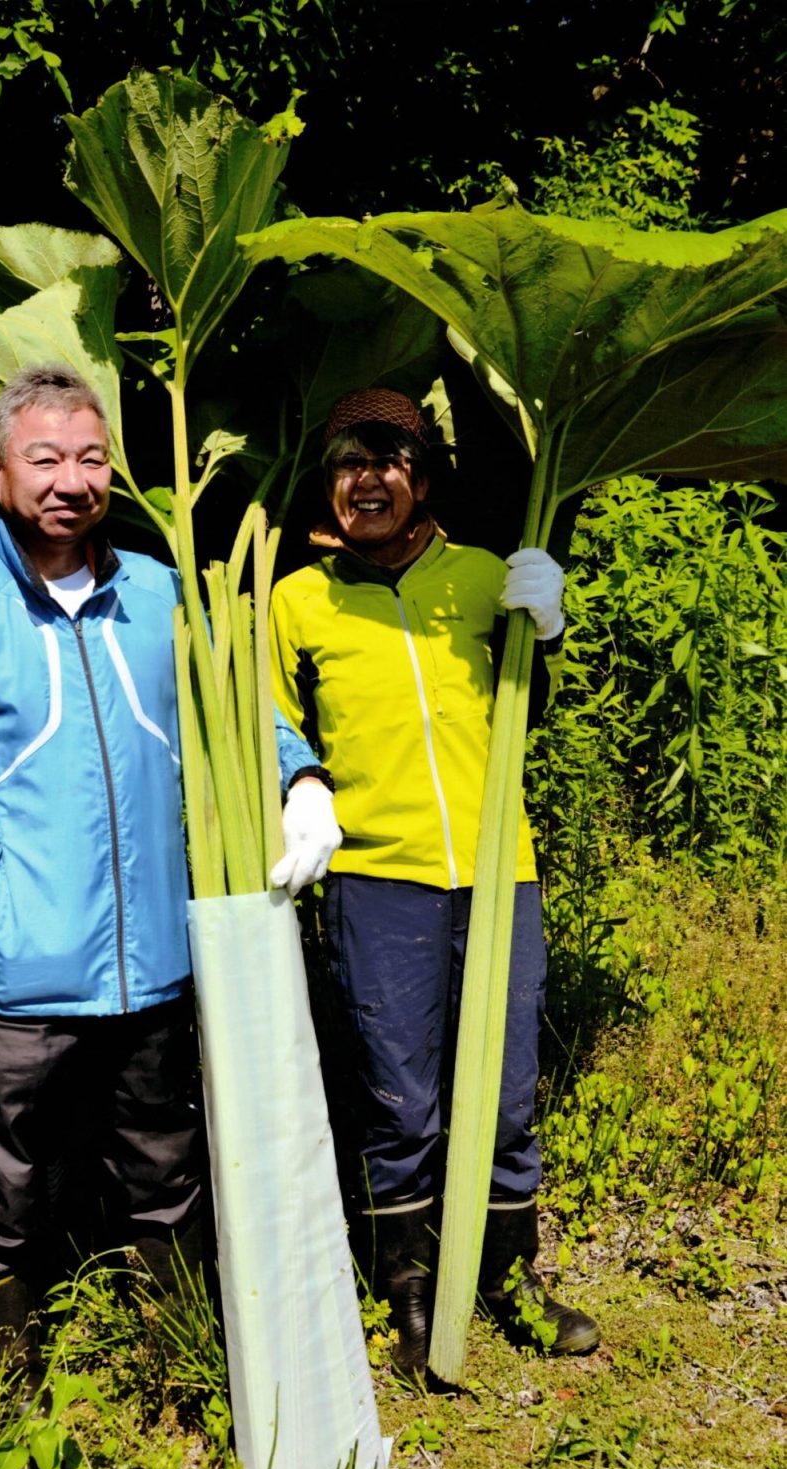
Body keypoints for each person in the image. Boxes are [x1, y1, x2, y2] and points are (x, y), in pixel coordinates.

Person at [0, 362, 340, 1394]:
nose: (70, 479)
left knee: (166, 1177)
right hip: (15, 969)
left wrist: (302, 781)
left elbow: (245, 713)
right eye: (44, 458)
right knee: (3, 1194)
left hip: (155, 966)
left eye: (90, 457)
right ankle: (2, 1403)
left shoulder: (159, 594)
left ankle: (185, 1375)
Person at [269, 387, 600, 1375]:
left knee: (503, 1096)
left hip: (502, 872)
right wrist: (303, 784)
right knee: (401, 1099)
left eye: (391, 457)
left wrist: (545, 627)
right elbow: (273, 716)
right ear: (327, 485)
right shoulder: (300, 599)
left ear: (424, 475)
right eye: (347, 462)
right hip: (378, 878)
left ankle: (511, 1277)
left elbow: (528, 704)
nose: (368, 478)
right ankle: (409, 1290)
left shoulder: (484, 575)